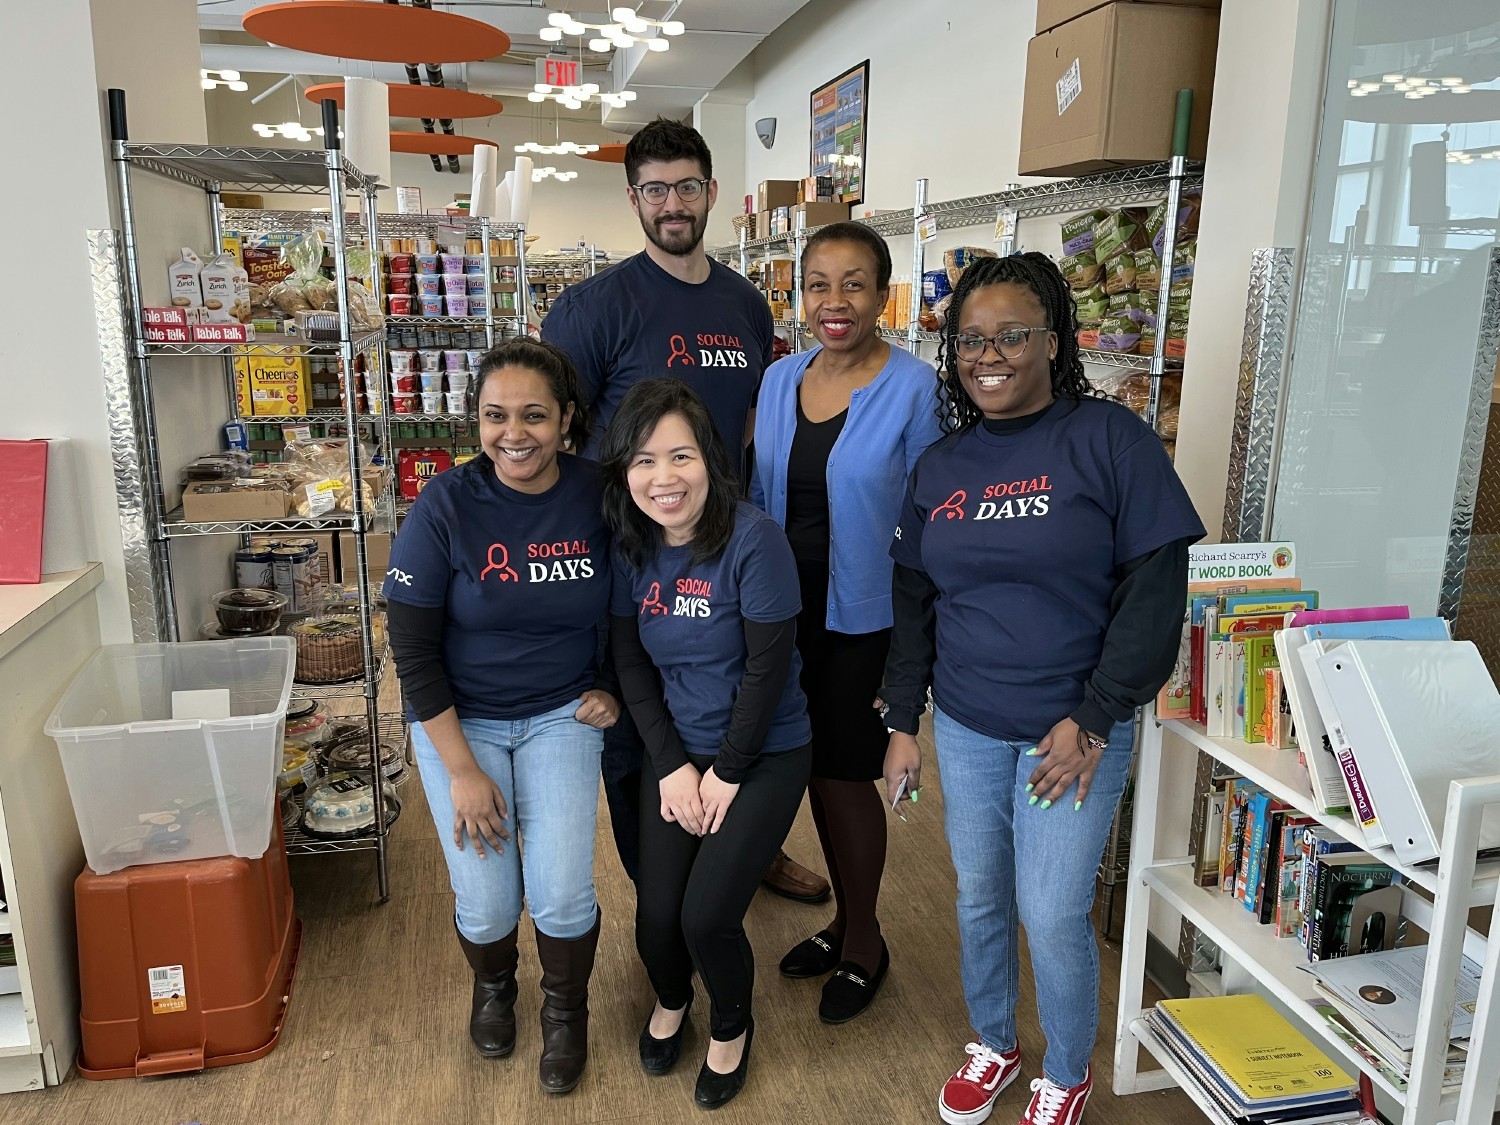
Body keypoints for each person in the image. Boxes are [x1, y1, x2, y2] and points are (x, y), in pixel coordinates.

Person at [878, 253, 1205, 1125]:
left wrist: (1095, 718)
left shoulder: (1111, 439)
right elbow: (912, 600)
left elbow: (1154, 588)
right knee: (980, 893)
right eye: (971, 340)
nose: (990, 354)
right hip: (972, 724)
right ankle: (995, 1039)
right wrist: (904, 720)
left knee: (1053, 910)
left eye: (1012, 335)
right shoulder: (942, 466)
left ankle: (1067, 1064)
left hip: (1075, 728)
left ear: (1052, 342)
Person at [543, 115, 827, 904]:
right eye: (656, 189)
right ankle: (660, 890)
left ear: (711, 194)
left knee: (747, 703)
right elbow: (563, 442)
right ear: (634, 198)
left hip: (730, 557)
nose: (674, 203)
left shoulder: (745, 305)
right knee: (641, 730)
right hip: (633, 558)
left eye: (689, 186)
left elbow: (744, 424)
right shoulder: (591, 309)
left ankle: (746, 845)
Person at [384, 338, 620, 1096]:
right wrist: (460, 769)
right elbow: (411, 649)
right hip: (461, 721)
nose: (513, 433)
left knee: (559, 892)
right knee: (486, 902)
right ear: (474, 420)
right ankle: (493, 988)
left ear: (567, 419)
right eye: (494, 416)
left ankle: (564, 1009)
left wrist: (613, 682)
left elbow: (636, 595)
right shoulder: (445, 504)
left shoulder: (598, 492)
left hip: (561, 714)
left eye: (533, 415)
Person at [750, 221, 942, 1024]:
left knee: (843, 772)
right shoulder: (777, 377)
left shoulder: (917, 387)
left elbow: (934, 513)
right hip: (772, 609)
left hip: (862, 615)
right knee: (799, 770)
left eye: (854, 283)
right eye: (819, 282)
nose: (835, 301)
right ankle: (844, 920)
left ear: (882, 293)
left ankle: (864, 937)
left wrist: (918, 648)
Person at [602, 379, 813, 1110]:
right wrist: (671, 765)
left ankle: (731, 1022)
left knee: (706, 916)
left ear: (710, 459)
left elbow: (768, 667)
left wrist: (724, 770)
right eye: (645, 460)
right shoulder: (632, 543)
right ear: (625, 470)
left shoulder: (754, 540)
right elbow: (631, 663)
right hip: (680, 757)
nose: (664, 478)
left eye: (681, 455)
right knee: (657, 917)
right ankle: (672, 997)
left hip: (766, 752)